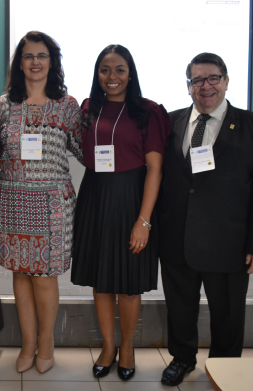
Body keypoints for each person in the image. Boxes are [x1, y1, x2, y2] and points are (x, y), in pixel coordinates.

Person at [158, 52, 253, 387]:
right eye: (197, 80)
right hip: (177, 239)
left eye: (213, 78)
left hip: (229, 243)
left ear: (226, 81)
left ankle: (225, 367)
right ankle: (182, 359)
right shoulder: (171, 123)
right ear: (188, 86)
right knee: (180, 308)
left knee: (228, 314)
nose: (205, 86)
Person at [71, 44, 170, 381]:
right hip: (95, 198)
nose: (111, 77)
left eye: (119, 70)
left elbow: (155, 169)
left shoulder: (148, 111)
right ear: (96, 74)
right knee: (102, 281)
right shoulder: (88, 108)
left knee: (128, 285)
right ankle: (109, 347)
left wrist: (143, 221)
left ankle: (127, 347)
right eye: (104, 70)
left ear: (131, 73)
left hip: (132, 200)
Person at [0, 31, 83, 374]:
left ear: (52, 61)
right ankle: (28, 343)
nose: (34, 62)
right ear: (19, 63)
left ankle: (46, 343)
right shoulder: (4, 104)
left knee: (44, 276)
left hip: (52, 205)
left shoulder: (67, 105)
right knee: (20, 273)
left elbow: (83, 151)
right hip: (13, 200)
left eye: (41, 55)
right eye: (28, 56)